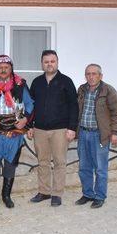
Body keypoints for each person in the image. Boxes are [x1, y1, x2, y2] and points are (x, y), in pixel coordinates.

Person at [0, 56, 34, 210]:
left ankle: (6, 196)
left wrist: (25, 120)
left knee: (10, 164)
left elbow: (30, 104)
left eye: (6, 67)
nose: (3, 70)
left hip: (14, 128)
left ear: (11, 68)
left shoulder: (20, 84)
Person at [28, 50, 79, 207]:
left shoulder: (66, 81)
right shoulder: (36, 82)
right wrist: (30, 126)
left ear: (57, 62)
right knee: (42, 161)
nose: (49, 64)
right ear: (42, 63)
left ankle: (57, 193)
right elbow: (30, 106)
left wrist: (72, 128)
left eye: (52, 61)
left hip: (60, 130)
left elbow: (74, 106)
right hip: (40, 130)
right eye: (46, 61)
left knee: (59, 162)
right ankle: (44, 192)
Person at [75, 64, 117, 209]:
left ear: (100, 76)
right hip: (83, 133)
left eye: (94, 74)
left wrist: (114, 133)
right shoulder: (82, 90)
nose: (91, 76)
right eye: (88, 74)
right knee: (84, 167)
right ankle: (87, 194)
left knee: (100, 168)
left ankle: (100, 196)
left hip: (99, 135)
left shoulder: (109, 91)